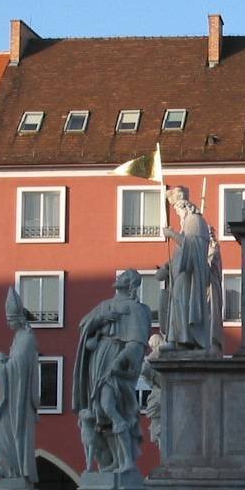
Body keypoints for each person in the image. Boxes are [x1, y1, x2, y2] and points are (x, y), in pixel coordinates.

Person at [73, 270, 154, 473]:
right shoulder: (103, 306)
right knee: (102, 413)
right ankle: (116, 460)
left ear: (130, 284)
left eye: (125, 276)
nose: (119, 278)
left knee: (111, 408)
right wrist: (100, 319)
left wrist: (119, 361)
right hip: (97, 364)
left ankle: (127, 461)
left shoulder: (136, 309)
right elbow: (83, 326)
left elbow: (136, 343)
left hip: (113, 365)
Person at [0, 286, 40, 483]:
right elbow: (16, 362)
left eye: (10, 320)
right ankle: (6, 466)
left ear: (19, 318)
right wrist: (6, 361)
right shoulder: (19, 337)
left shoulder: (26, 338)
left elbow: (19, 367)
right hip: (10, 399)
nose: (8, 323)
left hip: (18, 402)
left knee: (1, 434)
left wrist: (1, 365)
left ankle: (14, 469)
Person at [157, 186, 215, 351]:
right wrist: (169, 266)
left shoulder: (194, 221)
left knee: (183, 304)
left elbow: (192, 246)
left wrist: (172, 235)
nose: (177, 214)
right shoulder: (187, 223)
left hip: (189, 274)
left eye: (176, 209)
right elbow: (184, 248)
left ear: (184, 206)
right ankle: (176, 339)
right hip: (180, 273)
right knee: (177, 304)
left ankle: (184, 339)